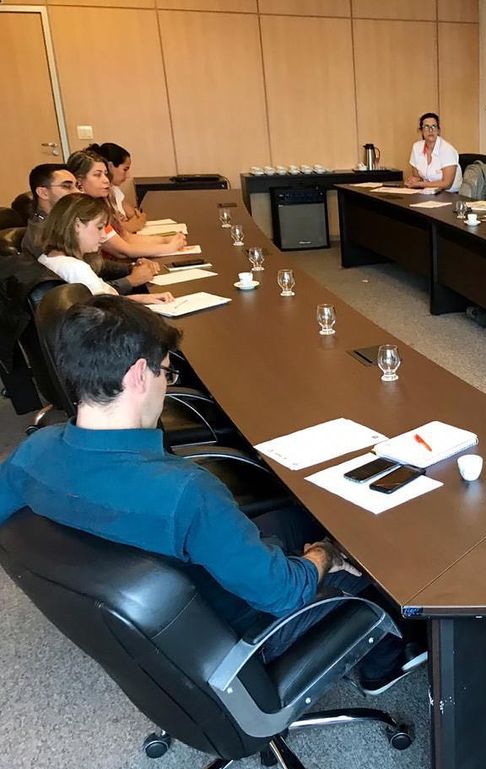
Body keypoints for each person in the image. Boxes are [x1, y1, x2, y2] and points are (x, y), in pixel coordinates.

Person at [0, 295, 423, 693]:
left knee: (299, 517)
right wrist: (325, 556)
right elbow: (284, 593)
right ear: (138, 375)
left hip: (164, 627)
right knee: (371, 550)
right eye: (165, 372)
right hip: (237, 634)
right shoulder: (185, 492)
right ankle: (383, 661)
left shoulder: (32, 452)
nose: (166, 385)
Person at [21, 164, 160, 293]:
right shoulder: (39, 236)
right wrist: (130, 281)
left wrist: (131, 267)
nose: (77, 192)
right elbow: (80, 293)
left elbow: (91, 261)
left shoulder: (62, 224)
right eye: (67, 186)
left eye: (77, 186)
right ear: (43, 193)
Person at [35, 194, 173, 306]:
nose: (104, 236)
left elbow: (101, 298)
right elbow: (105, 306)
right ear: (77, 225)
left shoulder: (46, 257)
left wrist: (140, 298)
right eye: (99, 227)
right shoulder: (75, 268)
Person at [67, 150, 186, 259]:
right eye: (97, 175)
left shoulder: (100, 205)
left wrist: (165, 240)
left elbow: (126, 237)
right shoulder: (84, 212)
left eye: (105, 174)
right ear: (79, 182)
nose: (106, 180)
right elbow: (123, 251)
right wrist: (169, 247)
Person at [90, 141, 147, 232]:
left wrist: (130, 224)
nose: (128, 176)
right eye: (125, 169)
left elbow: (137, 215)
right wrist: (131, 224)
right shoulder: (95, 198)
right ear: (110, 166)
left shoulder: (114, 190)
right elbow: (117, 230)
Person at [404, 112, 462, 193]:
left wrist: (419, 184)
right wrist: (413, 181)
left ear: (438, 130)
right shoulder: (416, 147)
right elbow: (417, 178)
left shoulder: (447, 149)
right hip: (427, 192)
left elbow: (447, 184)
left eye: (434, 126)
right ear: (421, 131)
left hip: (450, 194)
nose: (430, 130)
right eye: (426, 127)